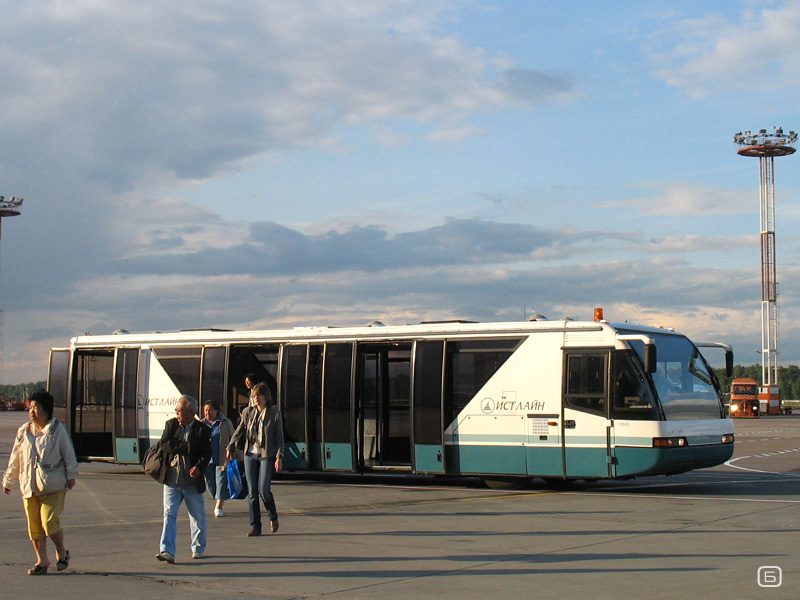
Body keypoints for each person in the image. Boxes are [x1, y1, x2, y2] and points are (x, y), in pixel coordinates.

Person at [3, 389, 78, 575]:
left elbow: (68, 454)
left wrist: (71, 475)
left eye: (36, 408)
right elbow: (15, 458)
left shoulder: (56, 430)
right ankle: (42, 561)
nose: (32, 412)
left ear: (47, 410)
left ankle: (62, 552)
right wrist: (9, 480)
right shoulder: (23, 431)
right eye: (30, 408)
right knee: (34, 526)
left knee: (49, 522)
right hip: (29, 485)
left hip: (53, 485)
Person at [154, 395, 212, 563]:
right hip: (172, 479)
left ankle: (198, 548)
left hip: (191, 482)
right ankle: (167, 551)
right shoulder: (171, 425)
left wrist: (199, 468)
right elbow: (164, 444)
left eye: (179, 410)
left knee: (197, 516)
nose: (176, 413)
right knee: (169, 514)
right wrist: (185, 447)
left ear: (191, 412)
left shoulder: (202, 430)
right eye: (177, 410)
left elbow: (206, 453)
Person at [227, 382, 284, 536]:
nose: (256, 398)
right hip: (250, 454)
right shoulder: (247, 412)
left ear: (266, 397)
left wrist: (279, 457)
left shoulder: (274, 414)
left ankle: (273, 516)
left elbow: (279, 438)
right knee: (252, 493)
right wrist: (230, 446)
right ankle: (255, 526)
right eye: (254, 395)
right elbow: (240, 430)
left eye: (259, 395)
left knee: (263, 490)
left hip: (266, 455)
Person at [201, 400, 235, 517]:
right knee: (210, 483)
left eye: (210, 410)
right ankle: (218, 499)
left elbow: (233, 437)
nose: (207, 413)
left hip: (222, 457)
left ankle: (219, 506)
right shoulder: (201, 424)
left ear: (216, 411)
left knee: (221, 481)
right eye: (205, 410)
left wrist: (231, 450)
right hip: (207, 459)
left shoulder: (225, 422)